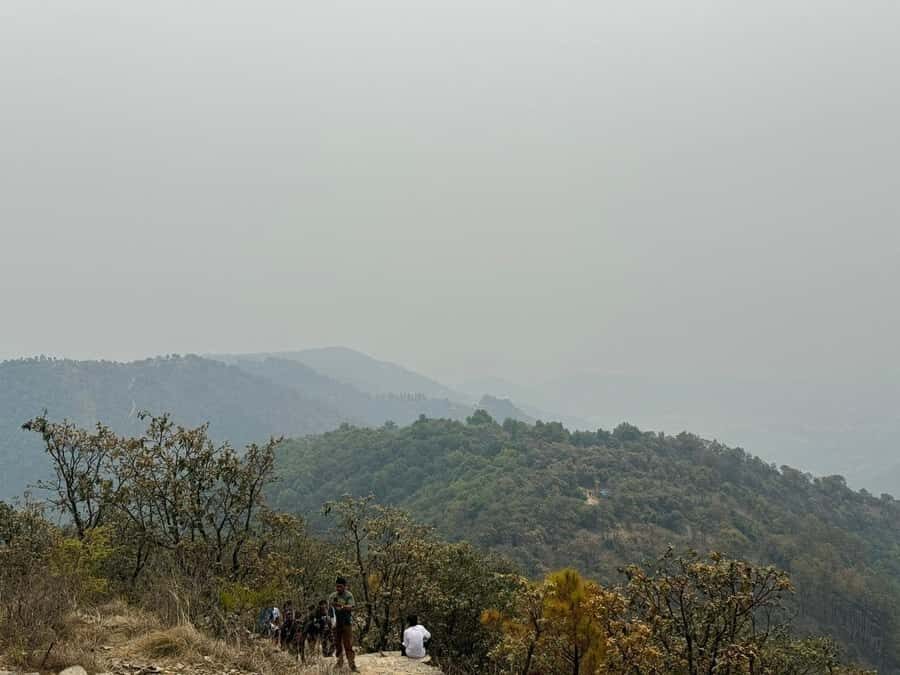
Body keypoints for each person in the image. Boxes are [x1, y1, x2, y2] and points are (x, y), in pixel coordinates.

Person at [329, 576, 358, 672]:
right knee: (337, 644)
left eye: (340, 586)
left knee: (348, 645)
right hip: (336, 624)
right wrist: (330, 621)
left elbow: (351, 607)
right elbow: (330, 610)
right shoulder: (332, 596)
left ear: (345, 586)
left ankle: (352, 665)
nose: (338, 588)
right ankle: (339, 663)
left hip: (346, 623)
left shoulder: (348, 595)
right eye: (337, 586)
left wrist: (342, 607)